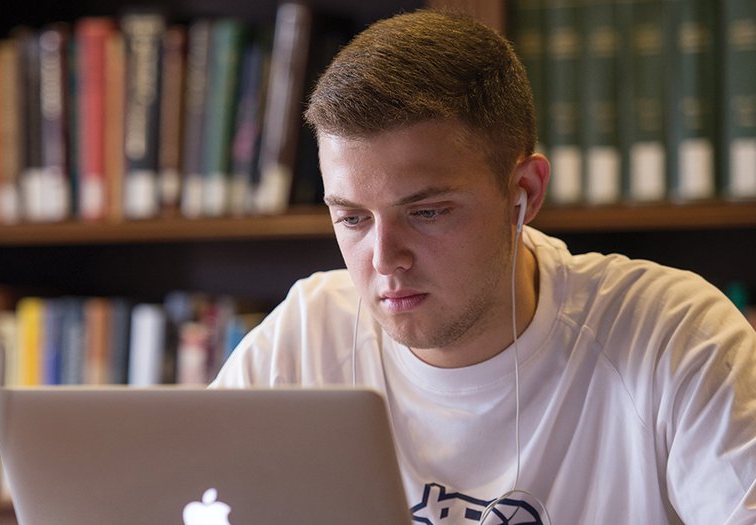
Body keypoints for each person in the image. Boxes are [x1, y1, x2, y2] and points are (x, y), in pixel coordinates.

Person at [210, 9, 756, 524]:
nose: (383, 259)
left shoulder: (674, 337)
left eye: (426, 212)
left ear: (524, 192)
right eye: (352, 219)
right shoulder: (303, 341)